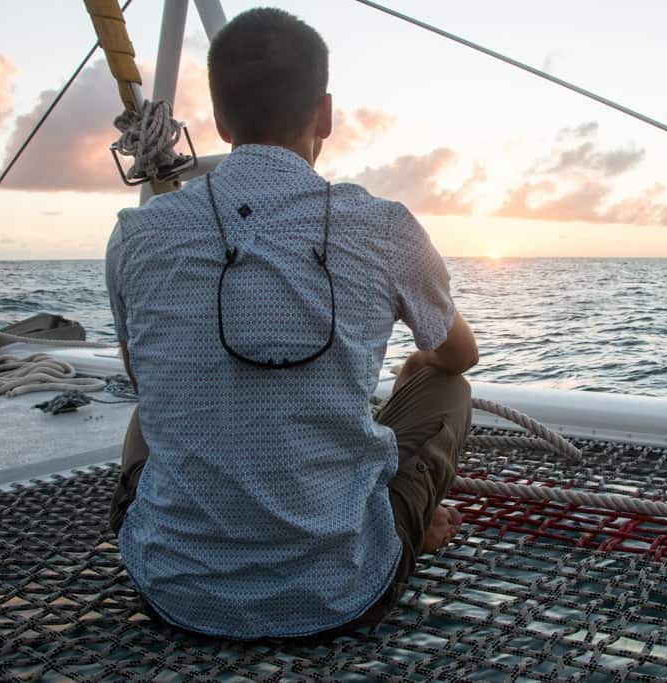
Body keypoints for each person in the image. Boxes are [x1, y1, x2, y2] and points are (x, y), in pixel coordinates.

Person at [104, 7, 478, 641]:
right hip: (344, 592)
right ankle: (405, 520)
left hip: (174, 591)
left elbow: (144, 377)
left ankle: (390, 518)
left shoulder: (136, 235)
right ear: (325, 113)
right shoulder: (385, 227)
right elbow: (459, 356)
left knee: (149, 415)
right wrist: (418, 362)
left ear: (220, 120)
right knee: (448, 392)